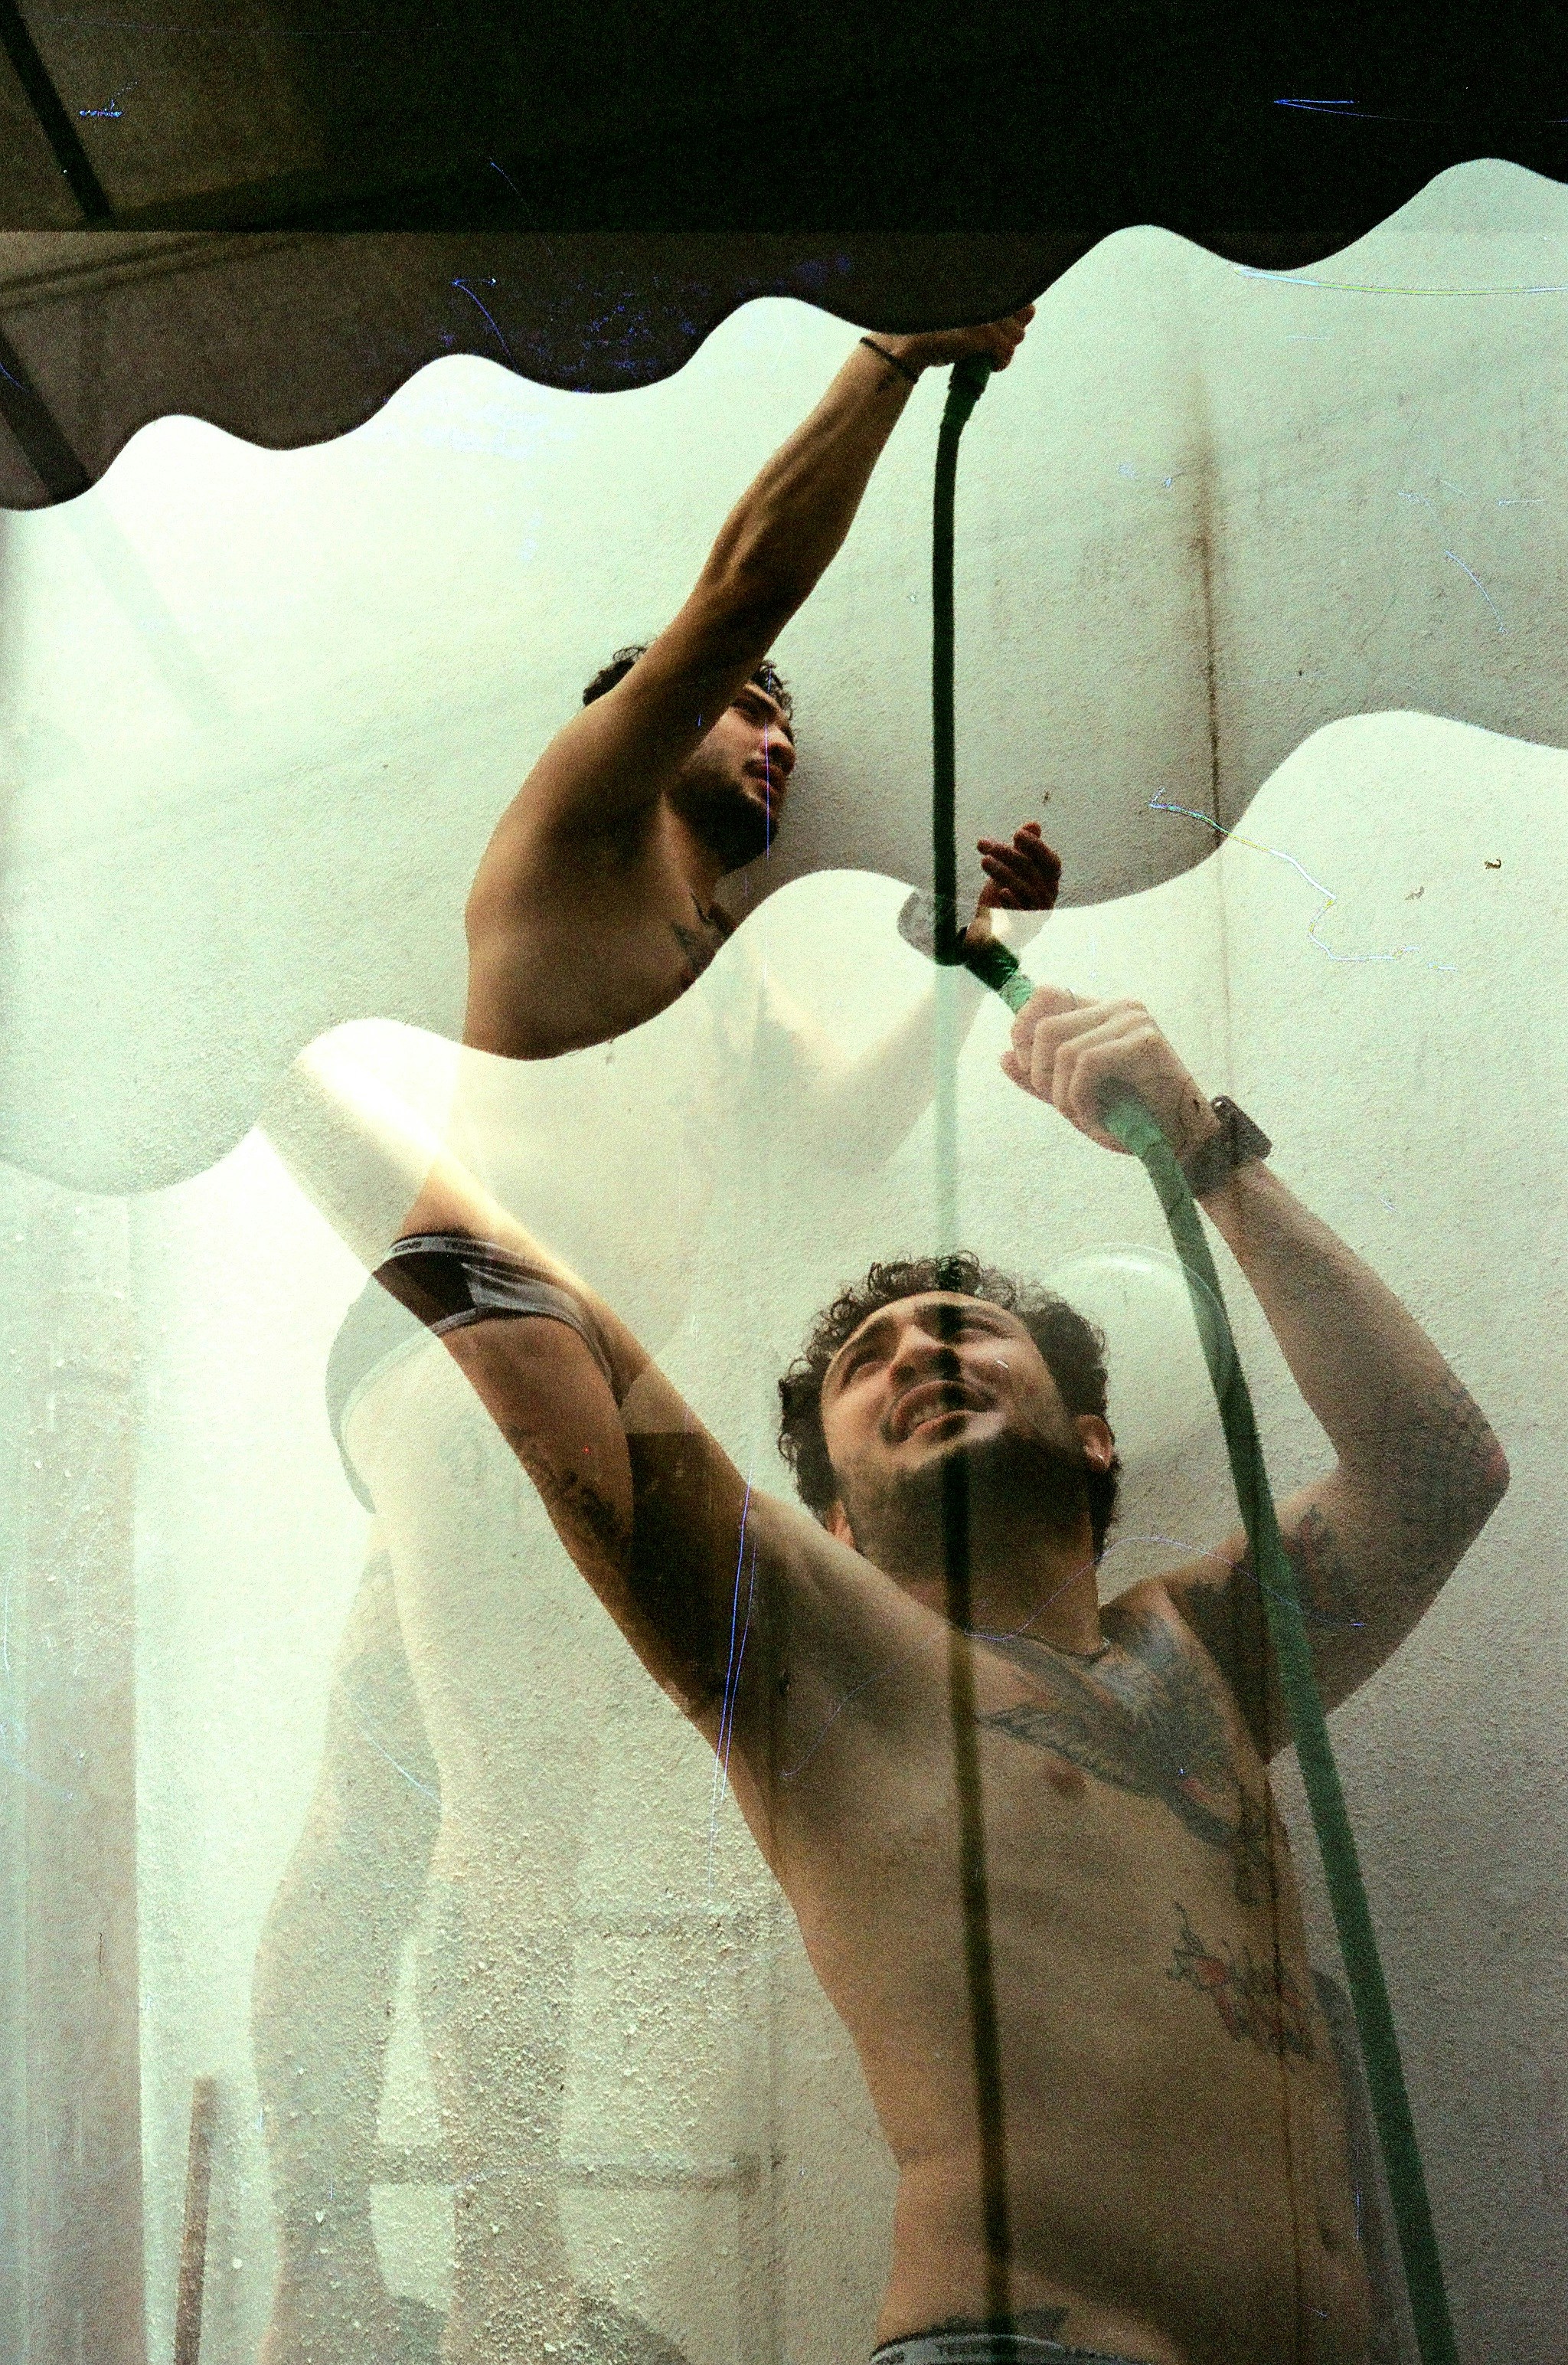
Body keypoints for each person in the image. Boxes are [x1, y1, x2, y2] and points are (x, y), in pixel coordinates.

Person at [319, 975, 1509, 2365]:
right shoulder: (820, 1666)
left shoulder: (1201, 1654)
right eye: (867, 1363)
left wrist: (1204, 1147)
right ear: (832, 1521)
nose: (915, 1350)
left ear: (1096, 1440)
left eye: (963, 1326)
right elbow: (538, 1338)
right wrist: (275, 1071)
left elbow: (1440, 1470)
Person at [253, 308, 1054, 2365]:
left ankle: (319, 2239)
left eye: (792, 724)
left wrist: (975, 963)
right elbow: (740, 587)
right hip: (487, 1331)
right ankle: (505, 2282)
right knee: (512, 1812)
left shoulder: (733, 980)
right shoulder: (582, 828)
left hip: (491, 1371)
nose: (776, 737)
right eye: (748, 712)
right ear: (644, 715)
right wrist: (888, 356)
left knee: (382, 1820)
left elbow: (855, 1128)